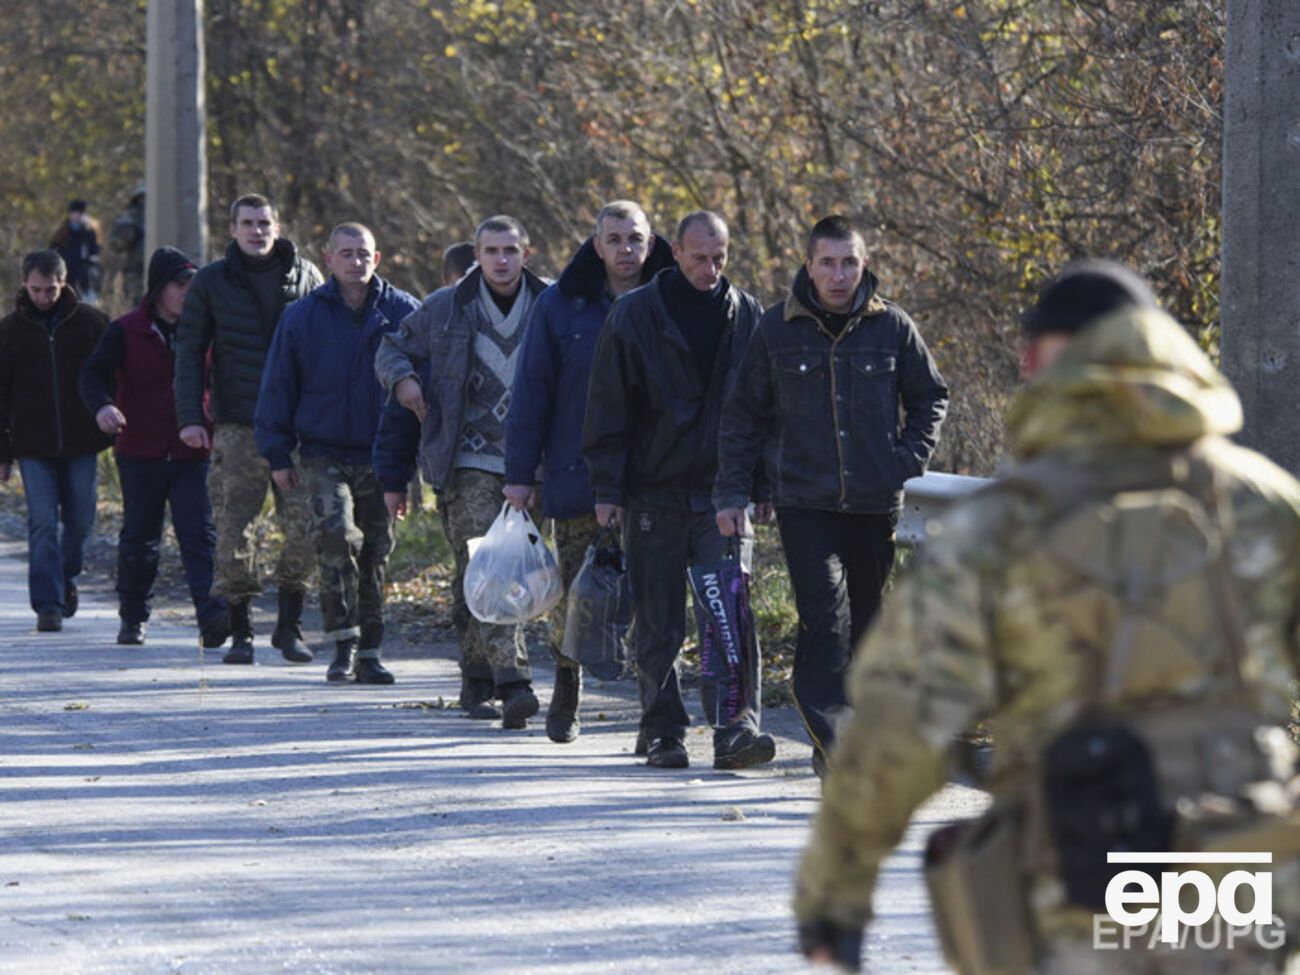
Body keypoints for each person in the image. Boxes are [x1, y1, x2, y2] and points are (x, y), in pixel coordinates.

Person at [794, 261, 1300, 974]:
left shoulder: (1002, 527)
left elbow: (898, 725)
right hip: (1244, 869)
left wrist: (835, 897)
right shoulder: (1267, 505)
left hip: (1079, 867)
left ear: (1043, 358)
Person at [714, 215, 948, 775]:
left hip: (874, 504)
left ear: (864, 264)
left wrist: (905, 462)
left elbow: (930, 397)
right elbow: (742, 416)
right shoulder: (776, 329)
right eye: (827, 263)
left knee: (867, 623)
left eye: (849, 262)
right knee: (824, 617)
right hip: (804, 503)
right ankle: (834, 742)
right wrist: (732, 492)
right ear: (809, 266)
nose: (838, 275)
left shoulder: (892, 327)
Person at [582, 210, 776, 771]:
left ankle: (736, 728)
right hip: (653, 492)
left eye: (719, 258)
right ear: (676, 253)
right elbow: (607, 406)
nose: (710, 268)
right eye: (699, 257)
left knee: (729, 616)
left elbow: (768, 411)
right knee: (659, 620)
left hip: (724, 495)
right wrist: (607, 487)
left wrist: (761, 483)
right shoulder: (634, 314)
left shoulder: (748, 316)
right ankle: (663, 727)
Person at [504, 200, 674, 743]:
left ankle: (655, 715)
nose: (626, 249)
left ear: (651, 243)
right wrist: (520, 473)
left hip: (658, 476)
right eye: (615, 239)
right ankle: (567, 690)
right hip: (579, 475)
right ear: (596, 245)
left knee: (653, 601)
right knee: (580, 593)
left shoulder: (673, 297)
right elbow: (531, 391)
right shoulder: (561, 304)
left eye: (635, 239)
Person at [375, 215, 550, 727]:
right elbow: (391, 347)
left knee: (502, 574)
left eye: (510, 250)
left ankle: (476, 677)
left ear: (526, 252)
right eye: (491, 250)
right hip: (466, 458)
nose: (501, 260)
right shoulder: (446, 306)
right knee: (490, 564)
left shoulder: (549, 304)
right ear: (476, 254)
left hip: (532, 461)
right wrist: (404, 381)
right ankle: (513, 681)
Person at [255, 223, 420, 684]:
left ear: (378, 258)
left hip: (383, 453)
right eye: (345, 254)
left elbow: (426, 388)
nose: (355, 262)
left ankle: (371, 651)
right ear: (328, 259)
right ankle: (342, 644)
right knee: (335, 537)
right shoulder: (303, 316)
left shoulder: (403, 312)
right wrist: (278, 453)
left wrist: (411, 464)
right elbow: (277, 386)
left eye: (363, 254)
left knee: (376, 551)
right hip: (323, 451)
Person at [173, 193, 323, 665]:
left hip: (297, 427)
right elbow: (190, 353)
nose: (257, 231)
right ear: (232, 229)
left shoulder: (307, 277)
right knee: (234, 530)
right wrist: (190, 419)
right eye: (248, 223)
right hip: (237, 423)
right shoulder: (212, 282)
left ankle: (289, 624)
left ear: (277, 228)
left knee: (307, 527)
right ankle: (241, 632)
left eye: (264, 223)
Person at [79, 246, 230, 648]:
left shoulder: (208, 331)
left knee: (199, 534)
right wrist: (103, 406)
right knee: (140, 539)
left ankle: (212, 617)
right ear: (158, 289)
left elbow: (224, 381)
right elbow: (92, 375)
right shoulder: (126, 329)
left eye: (192, 285)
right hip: (140, 450)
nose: (187, 292)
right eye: (179, 285)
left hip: (193, 450)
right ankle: (133, 617)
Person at [0, 250, 111, 631]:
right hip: (32, 446)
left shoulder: (92, 323)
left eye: (50, 289)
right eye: (36, 289)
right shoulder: (9, 331)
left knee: (81, 521)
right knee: (42, 523)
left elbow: (112, 377)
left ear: (64, 283)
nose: (44, 297)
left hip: (82, 441)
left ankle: (66, 576)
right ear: (24, 285)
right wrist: (3, 452)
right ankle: (48, 604)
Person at [50, 200, 102, 304]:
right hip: (66, 273)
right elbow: (53, 249)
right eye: (74, 213)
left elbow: (95, 252)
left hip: (84, 276)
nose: (77, 216)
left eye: (80, 214)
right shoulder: (63, 231)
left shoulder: (89, 232)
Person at [108, 183, 146, 306]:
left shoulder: (165, 211)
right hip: (137, 272)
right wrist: (130, 232)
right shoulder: (132, 216)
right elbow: (114, 242)